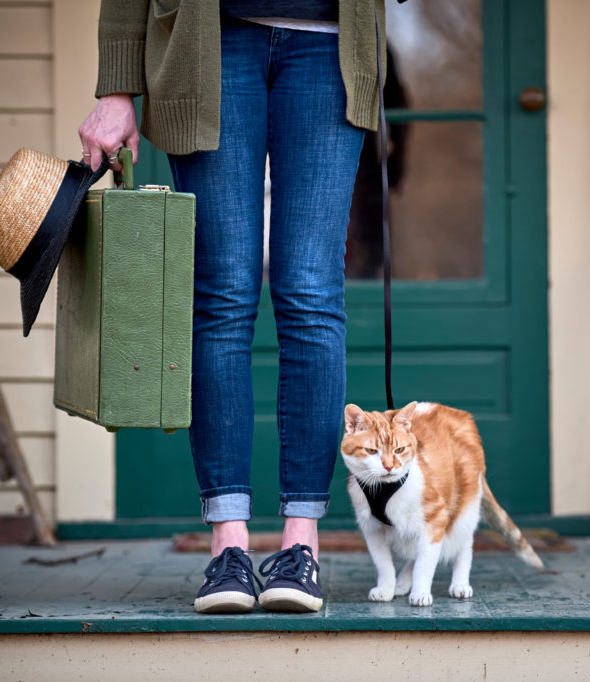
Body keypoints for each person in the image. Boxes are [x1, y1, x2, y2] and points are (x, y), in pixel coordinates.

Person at [79, 0, 393, 614]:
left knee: (311, 294)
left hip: (330, 46)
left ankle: (302, 547)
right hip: (208, 46)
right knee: (222, 295)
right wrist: (117, 89)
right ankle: (228, 548)